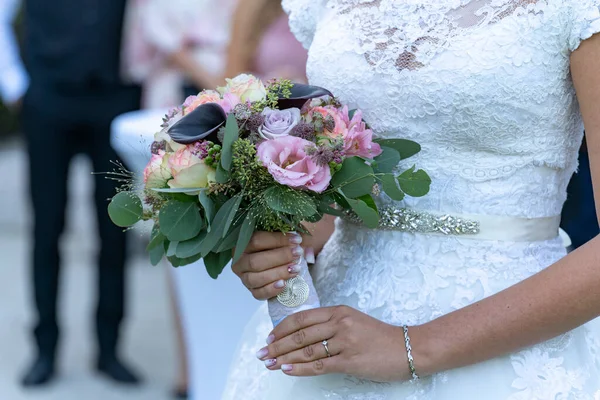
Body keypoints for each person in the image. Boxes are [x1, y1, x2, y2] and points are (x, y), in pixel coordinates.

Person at [222, 1, 600, 399]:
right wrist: (291, 239)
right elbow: (344, 165)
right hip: (330, 331)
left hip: (503, 336)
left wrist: (412, 346)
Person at [7, 0, 142, 387]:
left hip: (114, 100)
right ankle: (45, 349)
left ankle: (109, 349)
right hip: (49, 99)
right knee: (46, 229)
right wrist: (15, 85)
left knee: (115, 230)